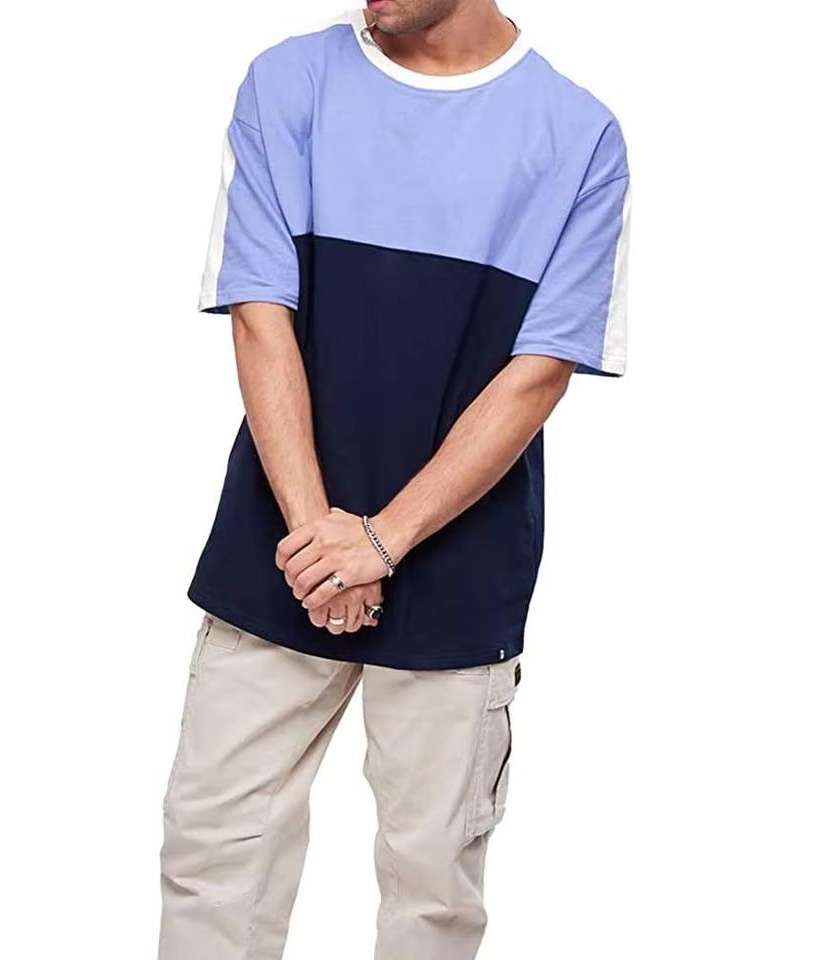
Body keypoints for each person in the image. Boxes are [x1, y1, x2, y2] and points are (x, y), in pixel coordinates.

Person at [159, 2, 630, 957]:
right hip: (279, 543)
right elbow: (258, 313)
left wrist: (382, 539)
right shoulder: (290, 81)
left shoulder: (580, 136)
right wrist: (323, 543)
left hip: (460, 556)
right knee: (215, 854)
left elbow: (538, 373)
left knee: (431, 886)